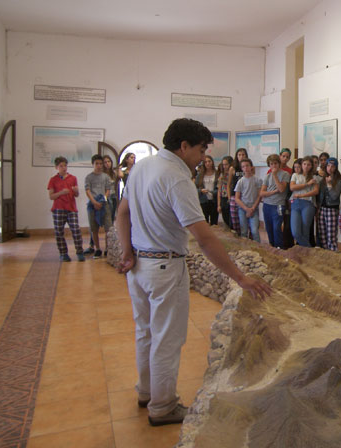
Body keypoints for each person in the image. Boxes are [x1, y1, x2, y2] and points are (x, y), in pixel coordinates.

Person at [116, 118, 271, 427]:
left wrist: (127, 252)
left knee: (146, 332)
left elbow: (122, 213)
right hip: (165, 268)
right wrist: (240, 278)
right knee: (166, 339)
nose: (203, 157)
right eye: (201, 150)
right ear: (183, 146)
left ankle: (146, 392)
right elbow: (204, 238)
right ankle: (162, 406)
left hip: (140, 267)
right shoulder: (176, 178)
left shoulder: (141, 168)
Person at [47, 156, 85, 262]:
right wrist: (61, 193)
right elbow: (51, 196)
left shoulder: (73, 178)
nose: (64, 168)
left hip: (71, 208)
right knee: (59, 232)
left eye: (65, 165)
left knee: (76, 230)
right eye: (61, 166)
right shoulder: (53, 180)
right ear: (56, 167)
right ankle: (63, 253)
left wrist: (76, 191)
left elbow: (76, 195)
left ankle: (80, 252)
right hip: (58, 208)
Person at [85, 154, 112, 259]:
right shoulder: (89, 177)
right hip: (92, 205)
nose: (99, 166)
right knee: (94, 228)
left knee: (108, 227)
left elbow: (108, 190)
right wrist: (94, 202)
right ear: (93, 164)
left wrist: (102, 200)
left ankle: (107, 249)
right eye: (97, 163)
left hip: (104, 204)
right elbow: (88, 191)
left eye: (101, 163)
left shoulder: (106, 177)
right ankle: (97, 249)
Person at [260, 154, 290, 248]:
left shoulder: (285, 174)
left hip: (278, 205)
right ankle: (272, 247)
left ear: (279, 163)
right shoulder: (267, 176)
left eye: (275, 163)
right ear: (269, 165)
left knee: (277, 228)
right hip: (267, 205)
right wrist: (273, 192)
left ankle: (279, 248)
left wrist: (275, 175)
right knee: (268, 228)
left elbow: (281, 189)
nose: (273, 166)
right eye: (271, 164)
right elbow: (262, 193)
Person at [290, 157, 319, 247]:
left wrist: (301, 195)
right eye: (304, 164)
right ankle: (310, 250)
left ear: (311, 166)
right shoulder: (295, 175)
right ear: (301, 165)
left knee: (305, 231)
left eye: (309, 165)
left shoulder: (314, 177)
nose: (306, 166)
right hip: (295, 203)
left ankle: (304, 253)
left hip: (308, 204)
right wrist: (307, 184)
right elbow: (292, 187)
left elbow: (315, 191)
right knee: (295, 232)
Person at [317, 157, 341, 251]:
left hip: (332, 209)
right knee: (322, 235)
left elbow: (334, 196)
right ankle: (326, 255)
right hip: (322, 208)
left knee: (331, 235)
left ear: (336, 168)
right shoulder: (323, 179)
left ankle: (333, 253)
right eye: (328, 166)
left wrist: (329, 184)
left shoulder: (339, 180)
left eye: (332, 166)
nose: (330, 168)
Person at [234, 158, 262, 242]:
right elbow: (237, 198)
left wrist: (252, 208)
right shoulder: (240, 181)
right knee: (244, 231)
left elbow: (259, 196)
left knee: (254, 231)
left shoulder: (257, 180)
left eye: (247, 166)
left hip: (254, 208)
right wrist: (246, 209)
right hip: (243, 208)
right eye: (243, 166)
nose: (245, 168)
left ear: (251, 167)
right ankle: (244, 248)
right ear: (241, 168)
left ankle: (258, 247)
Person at [227, 148, 248, 233]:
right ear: (236, 156)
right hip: (234, 196)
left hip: (245, 196)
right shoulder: (232, 168)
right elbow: (229, 184)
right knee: (235, 220)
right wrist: (229, 197)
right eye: (239, 155)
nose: (241, 156)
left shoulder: (249, 167)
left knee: (244, 220)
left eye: (243, 155)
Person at [195, 154, 218, 225]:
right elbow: (195, 188)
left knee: (214, 222)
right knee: (205, 222)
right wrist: (201, 191)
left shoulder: (217, 174)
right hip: (203, 200)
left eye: (209, 161)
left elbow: (220, 188)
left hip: (214, 200)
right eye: (205, 162)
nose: (207, 163)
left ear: (212, 162)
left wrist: (213, 192)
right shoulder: (200, 175)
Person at [216, 156, 233, 228]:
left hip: (232, 197)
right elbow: (219, 190)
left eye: (226, 164)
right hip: (224, 198)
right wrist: (219, 205)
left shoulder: (234, 173)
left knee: (232, 219)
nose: (224, 166)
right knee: (225, 218)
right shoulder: (222, 175)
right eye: (223, 164)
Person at [103, 155, 118, 224]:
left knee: (113, 214)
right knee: (108, 214)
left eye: (109, 161)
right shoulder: (102, 174)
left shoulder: (113, 173)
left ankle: (111, 228)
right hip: (106, 196)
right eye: (105, 162)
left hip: (113, 195)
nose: (107, 163)